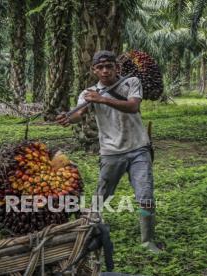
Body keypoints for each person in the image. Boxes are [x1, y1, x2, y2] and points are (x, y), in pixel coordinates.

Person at [55, 50, 161, 253]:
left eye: (109, 66)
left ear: (117, 67)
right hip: (111, 152)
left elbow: (132, 107)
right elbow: (79, 114)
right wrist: (68, 119)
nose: (105, 70)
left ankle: (148, 241)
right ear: (93, 70)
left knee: (145, 194)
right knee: (101, 195)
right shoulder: (88, 93)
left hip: (139, 149)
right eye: (100, 67)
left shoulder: (131, 82)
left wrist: (102, 99)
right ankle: (86, 230)